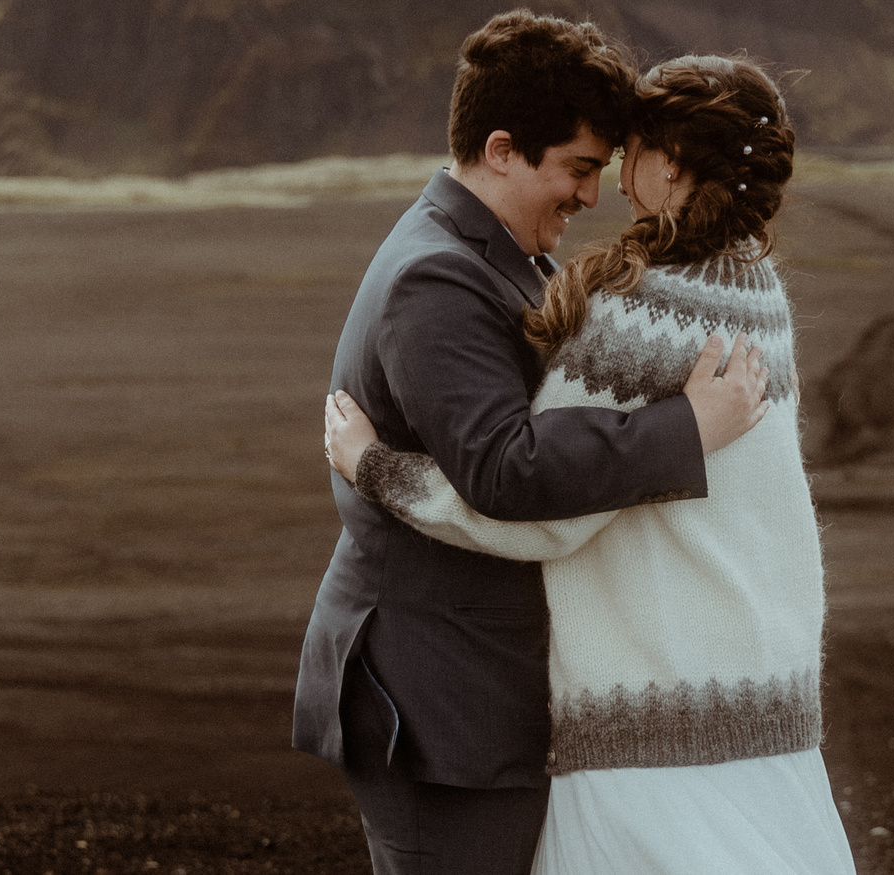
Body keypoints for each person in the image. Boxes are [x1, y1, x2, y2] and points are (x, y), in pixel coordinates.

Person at [325, 54, 854, 875]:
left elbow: (539, 513)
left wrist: (376, 467)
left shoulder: (639, 316)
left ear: (668, 165)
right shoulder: (761, 294)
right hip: (769, 724)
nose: (606, 186)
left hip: (650, 730)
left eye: (628, 152)